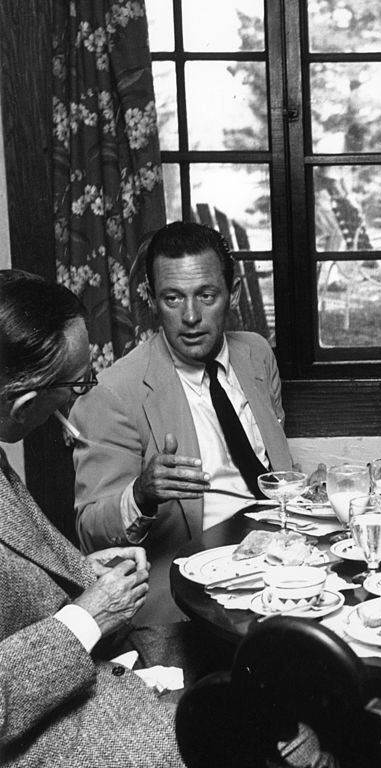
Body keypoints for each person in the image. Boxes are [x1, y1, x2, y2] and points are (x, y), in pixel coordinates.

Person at [0, 270, 181, 766]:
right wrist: (87, 617)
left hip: (78, 696)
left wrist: (81, 573)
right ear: (25, 403)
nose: (85, 395)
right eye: (79, 384)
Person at [71, 221, 293, 623]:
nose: (190, 316)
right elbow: (90, 530)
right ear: (153, 301)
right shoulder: (113, 393)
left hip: (282, 565)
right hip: (192, 592)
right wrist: (141, 494)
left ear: (233, 293)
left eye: (206, 295)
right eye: (172, 298)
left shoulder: (257, 354)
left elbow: (274, 469)